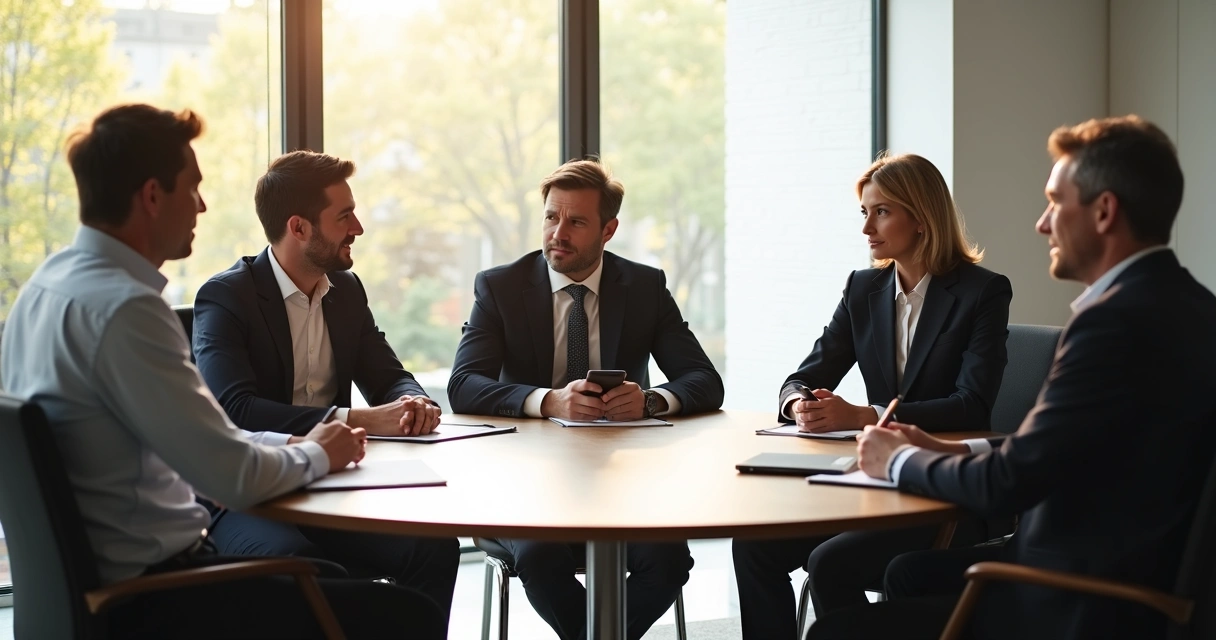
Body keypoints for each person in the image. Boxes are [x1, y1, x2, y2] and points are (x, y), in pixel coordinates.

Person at [0, 103, 444, 638]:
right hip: (160, 593)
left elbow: (209, 444)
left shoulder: (45, 288)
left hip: (102, 587)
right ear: (151, 196)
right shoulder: (127, 310)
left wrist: (292, 446)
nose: (203, 206)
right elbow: (230, 475)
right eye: (193, 188)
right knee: (403, 614)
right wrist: (319, 451)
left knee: (364, 572)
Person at [808, 115, 1216, 640]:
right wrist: (952, 450)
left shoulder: (1111, 325)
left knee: (831, 634)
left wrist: (900, 459)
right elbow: (1058, 447)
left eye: (1055, 201)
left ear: (1104, 211)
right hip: (1125, 566)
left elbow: (1008, 485)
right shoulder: (1191, 306)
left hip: (1074, 600)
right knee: (907, 573)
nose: (1043, 223)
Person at [732, 152, 1013, 638]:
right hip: (867, 487)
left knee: (828, 562)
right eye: (864, 213)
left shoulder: (981, 293)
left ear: (921, 218)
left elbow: (973, 404)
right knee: (754, 545)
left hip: (938, 493)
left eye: (881, 212)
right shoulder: (863, 289)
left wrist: (866, 415)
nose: (867, 229)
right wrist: (799, 404)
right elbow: (803, 374)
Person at [447, 159, 723, 639]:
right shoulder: (500, 286)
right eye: (552, 217)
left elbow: (704, 380)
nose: (558, 232)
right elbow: (464, 385)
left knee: (669, 559)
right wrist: (547, 400)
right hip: (524, 484)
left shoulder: (644, 287)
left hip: (623, 484)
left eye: (576, 221)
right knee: (539, 556)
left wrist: (652, 402)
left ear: (608, 229)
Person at [191, 150, 460, 626]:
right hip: (250, 494)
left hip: (332, 488)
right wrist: (354, 420)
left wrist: (411, 400)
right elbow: (236, 410)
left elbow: (387, 373)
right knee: (311, 569)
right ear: (299, 228)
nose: (357, 227)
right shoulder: (226, 296)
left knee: (433, 548)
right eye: (344, 216)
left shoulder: (347, 291)